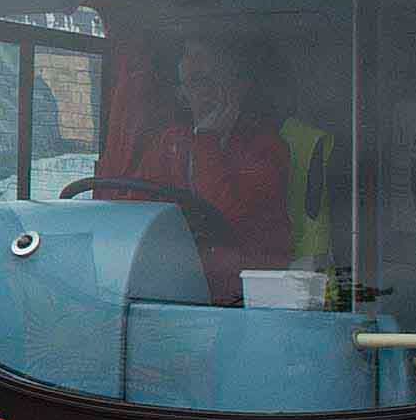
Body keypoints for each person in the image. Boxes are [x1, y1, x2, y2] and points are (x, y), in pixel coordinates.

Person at [97, 31, 296, 293]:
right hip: (182, 275)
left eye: (208, 80)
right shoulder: (171, 142)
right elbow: (137, 206)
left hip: (244, 287)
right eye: (192, 83)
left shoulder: (266, 146)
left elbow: (225, 220)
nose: (203, 93)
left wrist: (207, 139)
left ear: (237, 85)